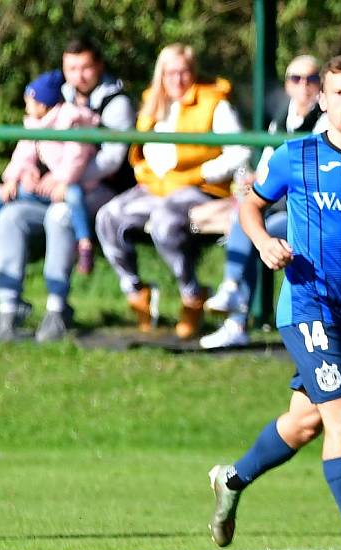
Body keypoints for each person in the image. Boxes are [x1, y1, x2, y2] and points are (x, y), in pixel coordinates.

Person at [207, 54, 341, 550]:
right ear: (322, 100)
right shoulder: (293, 156)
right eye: (340, 92)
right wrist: (262, 243)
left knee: (305, 422)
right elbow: (250, 206)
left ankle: (231, 479)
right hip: (305, 307)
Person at [95, 43, 250, 339]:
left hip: (198, 186)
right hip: (155, 186)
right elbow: (139, 150)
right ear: (161, 75)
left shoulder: (213, 102)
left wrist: (200, 173)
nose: (178, 80)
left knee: (165, 221)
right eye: (170, 73)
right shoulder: (152, 102)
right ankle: (136, 290)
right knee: (108, 216)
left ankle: (192, 295)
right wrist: (143, 170)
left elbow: (239, 152)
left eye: (184, 72)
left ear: (193, 73)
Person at [0, 37, 135, 343]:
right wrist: (24, 174)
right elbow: (30, 142)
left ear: (98, 66)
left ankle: (57, 308)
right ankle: (8, 307)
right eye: (71, 68)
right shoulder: (53, 99)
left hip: (99, 192)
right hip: (54, 190)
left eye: (85, 67)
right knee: (11, 217)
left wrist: (66, 181)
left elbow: (111, 160)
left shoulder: (116, 103)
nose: (79, 75)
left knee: (60, 216)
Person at [201, 54, 326, 349]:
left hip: (308, 212)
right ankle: (234, 305)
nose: (304, 86)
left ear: (321, 85)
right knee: (244, 217)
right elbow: (270, 165)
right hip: (277, 204)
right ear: (287, 85)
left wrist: (264, 185)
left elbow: (305, 174)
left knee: (256, 225)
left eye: (311, 79)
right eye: (296, 79)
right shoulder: (282, 117)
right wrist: (254, 180)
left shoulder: (324, 121)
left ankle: (235, 308)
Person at [0, 71, 99, 284]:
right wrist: (15, 178)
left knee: (74, 195)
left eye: (30, 103)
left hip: (73, 185)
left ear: (43, 105)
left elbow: (77, 157)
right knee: (3, 196)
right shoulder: (36, 125)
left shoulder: (71, 122)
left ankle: (84, 243)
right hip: (47, 189)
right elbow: (23, 154)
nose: (27, 108)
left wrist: (61, 179)